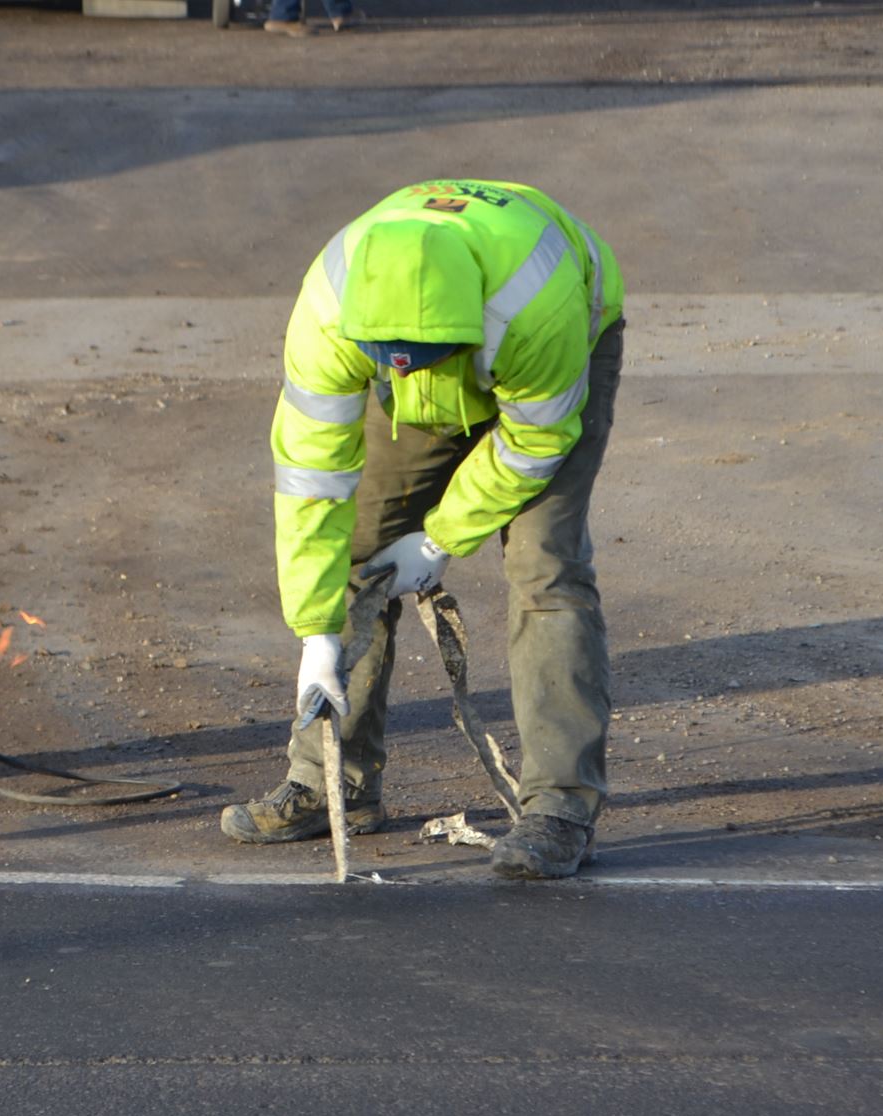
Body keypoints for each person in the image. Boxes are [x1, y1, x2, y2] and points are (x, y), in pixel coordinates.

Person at [221, 179, 625, 879]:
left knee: (544, 568)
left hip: (550, 362)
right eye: (388, 354)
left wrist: (439, 539)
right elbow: (313, 482)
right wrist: (315, 630)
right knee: (362, 548)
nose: (402, 363)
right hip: (436, 359)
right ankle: (331, 781)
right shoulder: (331, 310)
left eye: (420, 352)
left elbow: (533, 445)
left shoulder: (536, 305)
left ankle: (561, 807)